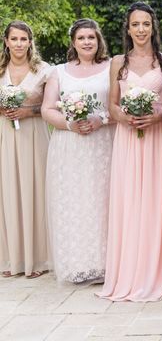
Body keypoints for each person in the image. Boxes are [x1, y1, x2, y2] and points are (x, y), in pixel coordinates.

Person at [98, 2, 162, 301]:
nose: (141, 30)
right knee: (130, 202)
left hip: (157, 140)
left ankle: (161, 270)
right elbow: (112, 105)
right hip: (128, 141)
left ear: (153, 27)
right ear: (127, 29)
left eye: (145, 24)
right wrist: (125, 117)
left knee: (158, 200)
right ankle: (130, 271)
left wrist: (157, 116)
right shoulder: (118, 62)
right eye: (135, 24)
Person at [42, 19, 114, 284]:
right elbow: (47, 109)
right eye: (82, 38)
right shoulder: (58, 72)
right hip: (70, 147)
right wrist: (71, 124)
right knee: (73, 202)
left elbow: (118, 106)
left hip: (102, 144)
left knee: (101, 200)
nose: (87, 42)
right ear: (73, 42)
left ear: (99, 40)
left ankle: (106, 264)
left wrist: (101, 119)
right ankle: (78, 264)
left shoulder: (111, 68)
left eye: (91, 38)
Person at [0, 21, 50, 279]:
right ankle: (11, 258)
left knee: (36, 190)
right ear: (6, 42)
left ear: (30, 42)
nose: (19, 44)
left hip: (34, 135)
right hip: (5, 136)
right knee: (7, 192)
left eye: (23, 39)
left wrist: (27, 111)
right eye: (14, 39)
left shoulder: (43, 71)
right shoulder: (0, 70)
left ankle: (38, 258)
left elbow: (52, 105)